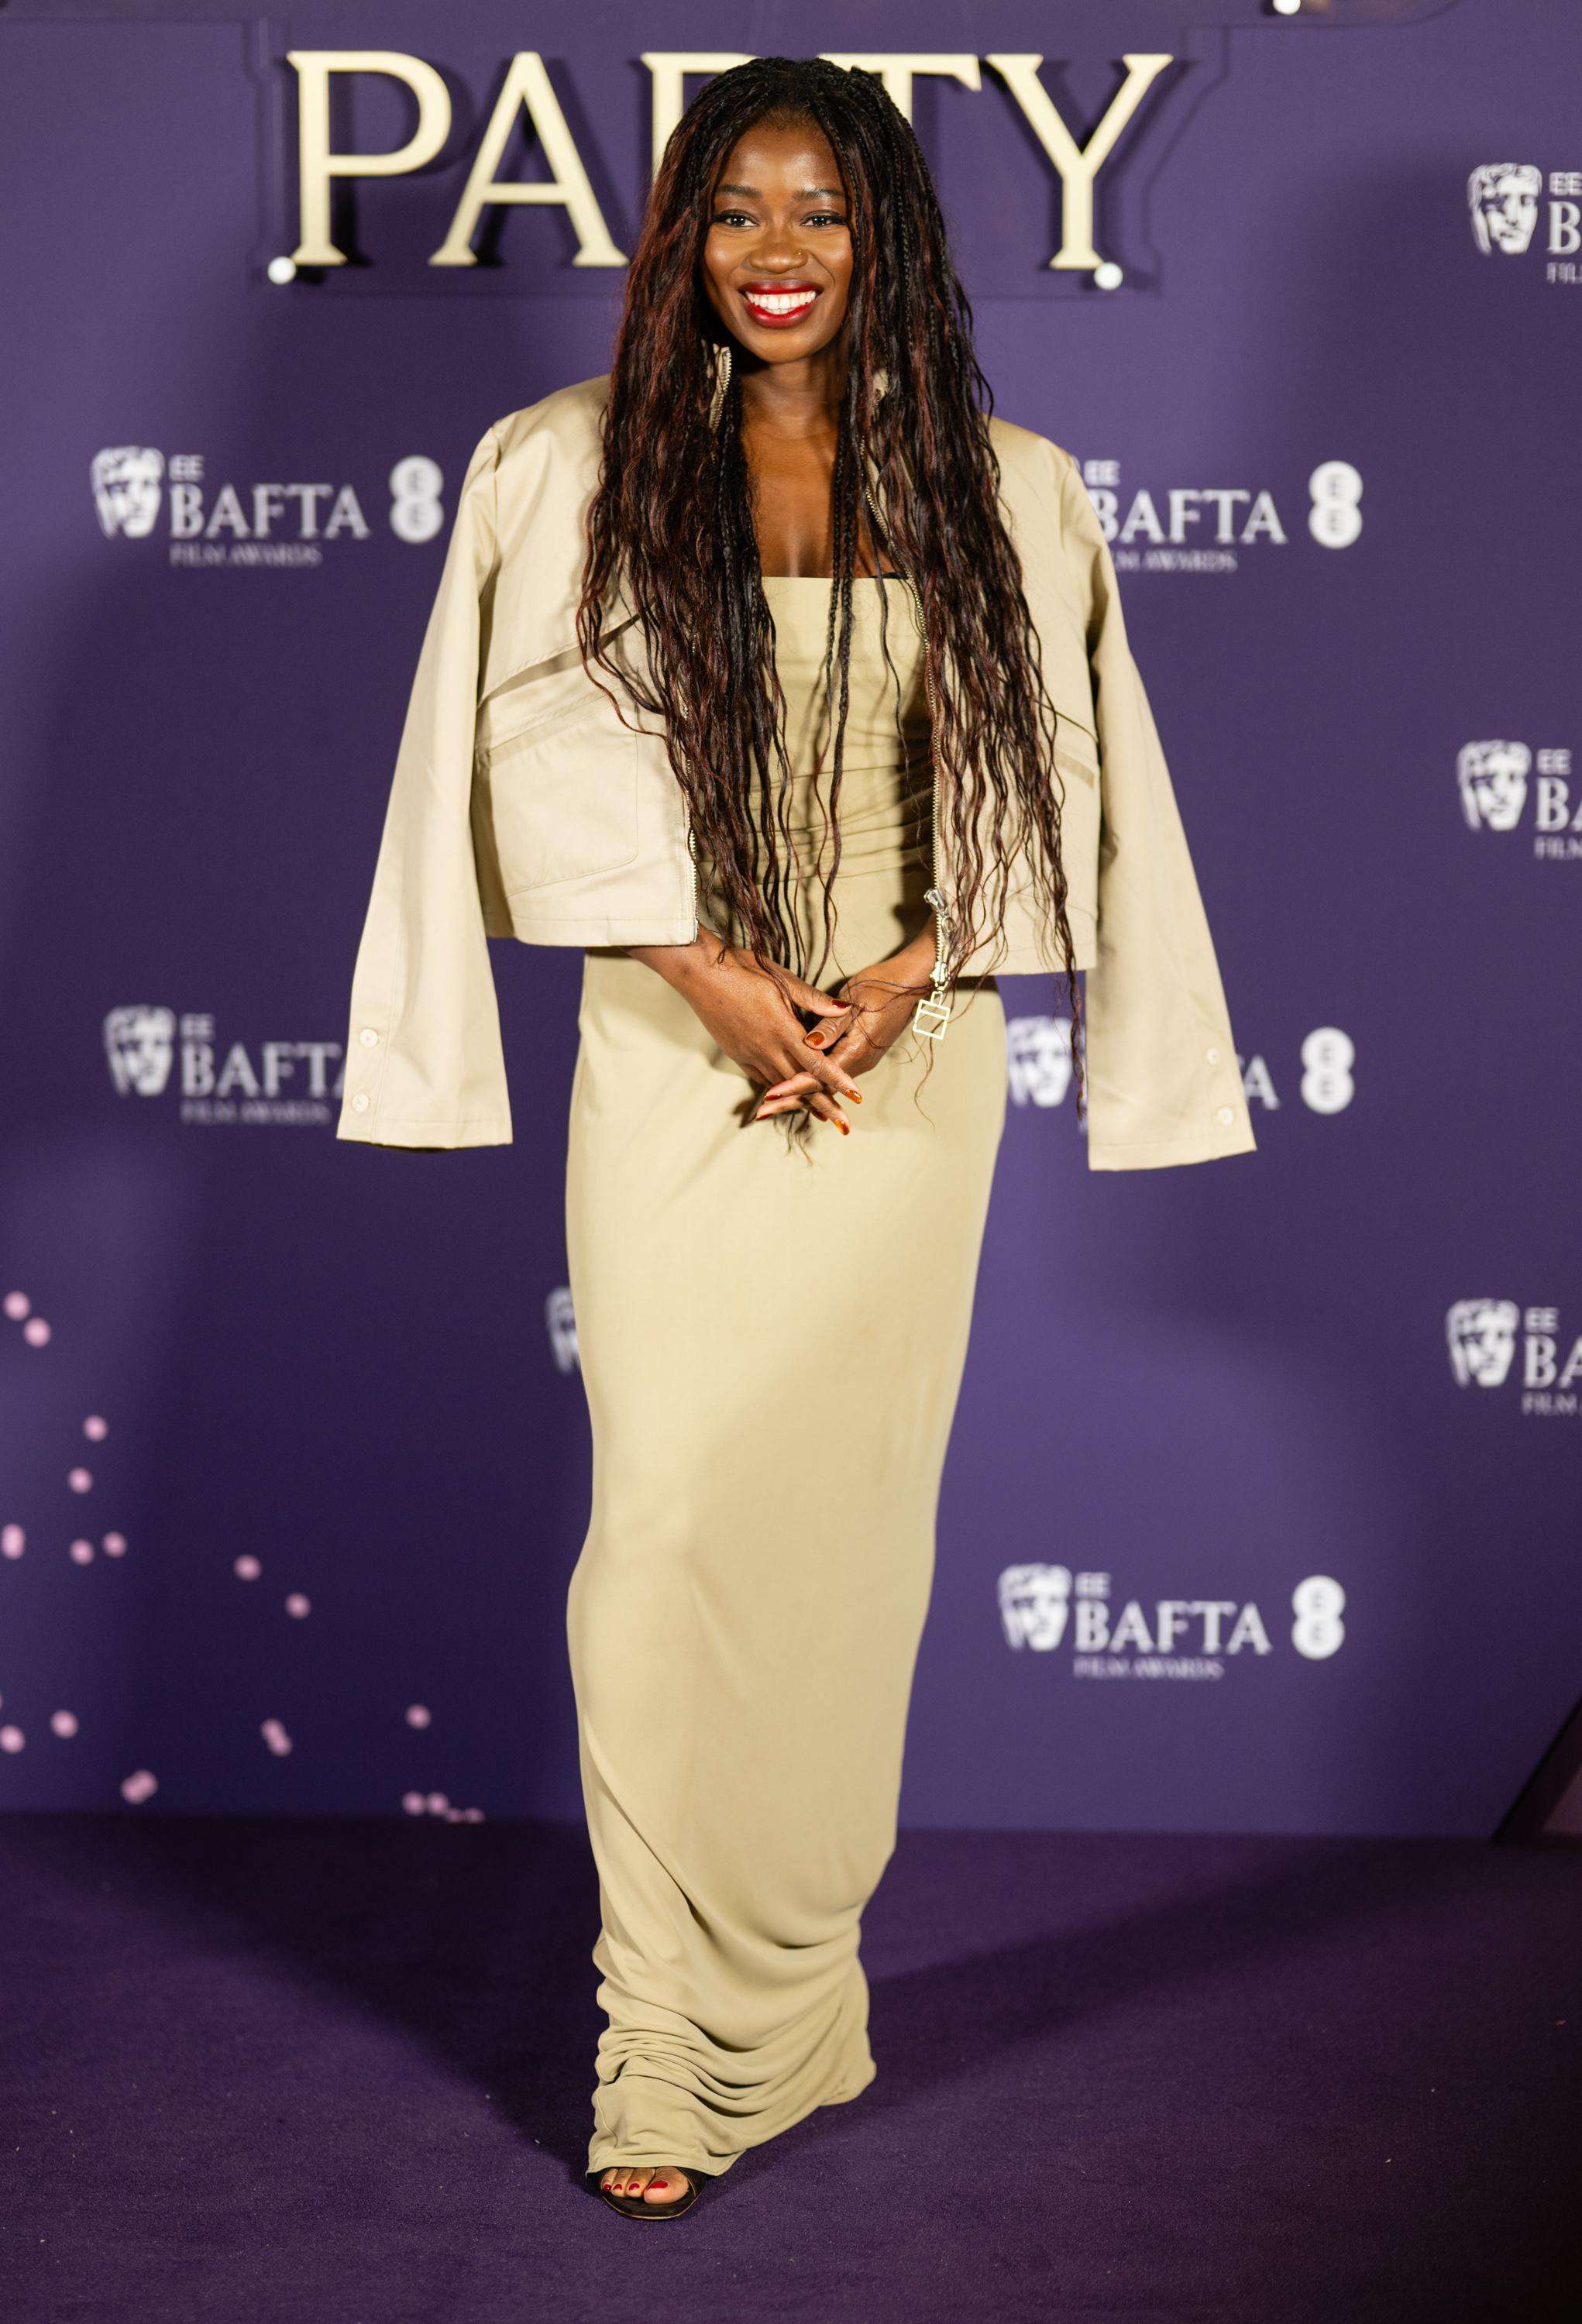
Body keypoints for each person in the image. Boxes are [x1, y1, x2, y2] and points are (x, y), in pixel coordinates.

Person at [336, 57, 1254, 2222]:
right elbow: (517, 763)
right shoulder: (558, 464)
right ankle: (659, 2040)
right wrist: (707, 968)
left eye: (822, 211)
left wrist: (911, 974)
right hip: (678, 1047)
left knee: (845, 1550)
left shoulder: (1005, 484)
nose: (776, 252)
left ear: (887, 243)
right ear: (679, 239)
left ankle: (797, 1999)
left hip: (907, 1064)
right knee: (662, 1526)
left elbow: (1067, 782)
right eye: (736, 209)